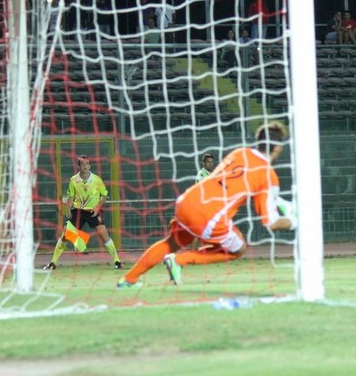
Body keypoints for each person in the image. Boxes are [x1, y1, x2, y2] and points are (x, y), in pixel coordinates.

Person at [118, 121, 297, 287]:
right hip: (210, 215)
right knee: (238, 249)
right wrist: (295, 221)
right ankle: (179, 261)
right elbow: (271, 222)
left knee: (173, 242)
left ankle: (128, 279)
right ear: (278, 148)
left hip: (187, 201)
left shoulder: (239, 153)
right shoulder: (268, 175)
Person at [43, 155, 122, 270]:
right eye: (82, 164)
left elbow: (104, 195)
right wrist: (68, 210)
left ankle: (117, 261)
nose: (85, 166)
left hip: (93, 210)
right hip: (78, 210)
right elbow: (71, 197)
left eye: (87, 163)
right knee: (65, 235)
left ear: (90, 166)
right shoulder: (73, 180)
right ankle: (53, 263)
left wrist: (98, 207)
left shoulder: (97, 180)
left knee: (104, 235)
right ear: (78, 166)